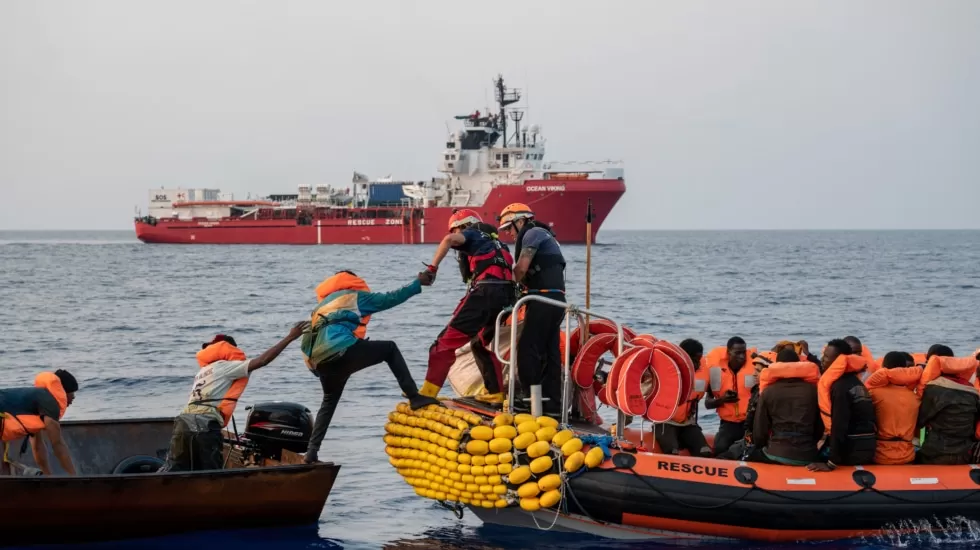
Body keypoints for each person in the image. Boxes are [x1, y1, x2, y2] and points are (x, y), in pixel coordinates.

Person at [301, 270, 441, 464]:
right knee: (389, 349)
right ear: (353, 282)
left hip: (319, 362)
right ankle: (414, 397)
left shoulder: (322, 306)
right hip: (341, 350)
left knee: (328, 403)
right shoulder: (354, 297)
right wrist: (418, 283)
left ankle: (311, 452)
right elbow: (390, 299)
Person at [160, 323, 309, 472]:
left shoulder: (203, 370)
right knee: (211, 473)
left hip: (183, 422)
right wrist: (290, 337)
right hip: (204, 423)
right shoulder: (225, 366)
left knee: (175, 468)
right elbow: (262, 361)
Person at [419, 209, 515, 404]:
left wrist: (432, 270)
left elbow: (447, 240)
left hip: (485, 293)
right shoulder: (498, 243)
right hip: (505, 298)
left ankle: (427, 394)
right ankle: (495, 392)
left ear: (462, 226)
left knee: (442, 344)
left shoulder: (471, 232)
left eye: (456, 231)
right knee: (480, 344)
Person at [497, 203, 567, 415]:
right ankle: (553, 404)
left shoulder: (532, 234)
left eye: (509, 227)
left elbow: (521, 269)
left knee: (527, 348)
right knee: (550, 351)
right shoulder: (547, 237)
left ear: (520, 221)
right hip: (558, 301)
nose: (508, 233)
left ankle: (528, 399)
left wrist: (505, 284)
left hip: (543, 299)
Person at [809, 339, 876, 471]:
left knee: (804, 457)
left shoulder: (839, 388)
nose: (822, 359)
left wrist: (831, 463)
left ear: (838, 361)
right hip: (865, 448)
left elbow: (839, 425)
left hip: (852, 453)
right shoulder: (855, 382)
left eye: (827, 357)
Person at [751, 348, 823, 465]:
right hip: (808, 453)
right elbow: (820, 427)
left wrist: (763, 446)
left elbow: (759, 431)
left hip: (776, 453)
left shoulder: (768, 392)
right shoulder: (814, 391)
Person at [0, 370, 79, 476]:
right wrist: (75, 478)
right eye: (72, 392)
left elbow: (37, 447)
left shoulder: (37, 399)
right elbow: (57, 444)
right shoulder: (50, 403)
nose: (73, 398)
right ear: (62, 391)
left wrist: (47, 476)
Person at [916, 351, 980, 465]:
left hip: (936, 453)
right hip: (965, 454)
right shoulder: (973, 392)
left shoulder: (933, 389)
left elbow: (919, 421)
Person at [654, 339, 711, 457]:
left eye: (699, 360)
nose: (698, 364)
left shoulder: (704, 372)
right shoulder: (666, 371)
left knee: (704, 451)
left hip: (687, 424)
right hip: (665, 422)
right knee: (672, 452)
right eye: (694, 360)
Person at [865, 351, 922, 465]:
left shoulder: (873, 394)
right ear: (904, 370)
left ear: (882, 368)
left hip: (879, 455)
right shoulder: (915, 397)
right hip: (908, 455)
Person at [705, 337, 754, 456]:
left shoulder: (754, 370)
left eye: (744, 352)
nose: (742, 356)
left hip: (749, 424)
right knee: (719, 450)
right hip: (728, 424)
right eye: (737, 353)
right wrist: (723, 400)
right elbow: (708, 404)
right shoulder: (716, 372)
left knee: (750, 453)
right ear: (728, 353)